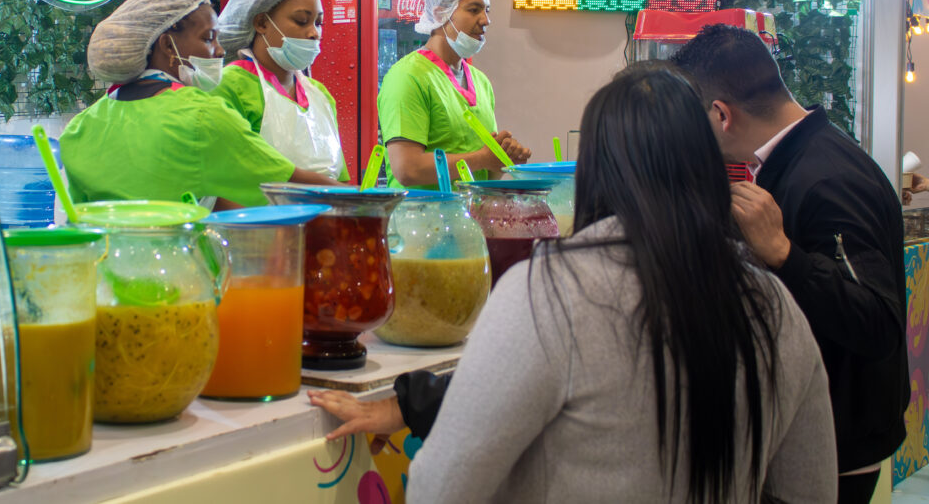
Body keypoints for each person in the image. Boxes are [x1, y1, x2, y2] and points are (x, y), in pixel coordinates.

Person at [315, 64, 835, 503]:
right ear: (708, 164)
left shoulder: (549, 293)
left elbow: (442, 487)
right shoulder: (774, 307)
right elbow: (810, 490)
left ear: (594, 170)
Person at [673, 24, 909, 504]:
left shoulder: (826, 179)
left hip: (838, 440)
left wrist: (784, 254)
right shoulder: (801, 156)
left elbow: (879, 320)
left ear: (720, 114)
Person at [59, 0, 336, 209]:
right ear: (168, 45)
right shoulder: (202, 116)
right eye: (208, 38)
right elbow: (286, 184)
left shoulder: (78, 129)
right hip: (182, 271)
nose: (219, 50)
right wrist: (367, 199)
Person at [377, 0, 530, 189]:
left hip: (470, 217)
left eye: (486, 10)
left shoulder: (480, 82)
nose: (486, 20)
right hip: (420, 218)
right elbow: (408, 170)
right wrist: (482, 158)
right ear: (440, 14)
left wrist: (502, 159)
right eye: (474, 10)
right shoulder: (408, 77)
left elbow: (484, 174)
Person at [213, 0, 349, 181]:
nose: (315, 33)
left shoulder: (320, 95)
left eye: (318, 23)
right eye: (302, 21)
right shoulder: (228, 86)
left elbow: (339, 179)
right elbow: (226, 178)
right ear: (261, 23)